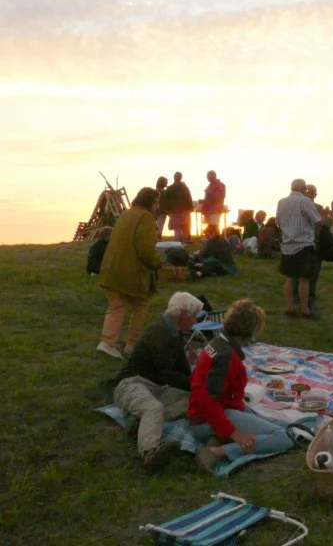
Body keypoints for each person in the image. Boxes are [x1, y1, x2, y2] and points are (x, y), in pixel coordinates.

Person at [189, 299, 294, 472]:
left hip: (223, 409)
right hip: (209, 418)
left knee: (289, 427)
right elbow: (207, 400)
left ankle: (220, 439)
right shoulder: (226, 357)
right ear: (251, 330)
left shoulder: (218, 343)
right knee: (285, 437)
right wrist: (235, 434)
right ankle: (219, 451)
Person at [112, 292, 204, 472]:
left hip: (156, 386)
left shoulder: (175, 333)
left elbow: (182, 368)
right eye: (195, 317)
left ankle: (140, 421)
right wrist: (195, 385)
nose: (196, 321)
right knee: (153, 408)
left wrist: (198, 385)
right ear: (183, 315)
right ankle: (150, 452)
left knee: (195, 400)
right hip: (131, 383)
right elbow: (167, 374)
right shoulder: (158, 333)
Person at [97, 187, 163, 359]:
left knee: (116, 305)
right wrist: (158, 263)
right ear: (150, 202)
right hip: (131, 272)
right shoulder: (146, 218)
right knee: (141, 304)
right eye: (156, 202)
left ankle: (107, 342)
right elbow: (146, 250)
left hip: (111, 269)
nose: (158, 206)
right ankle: (131, 344)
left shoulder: (126, 214)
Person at [276, 179, 321, 319]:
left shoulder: (281, 202)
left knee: (289, 278)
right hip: (303, 244)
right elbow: (317, 221)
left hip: (287, 244)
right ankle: (305, 310)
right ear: (303, 188)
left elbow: (277, 222)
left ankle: (289, 308)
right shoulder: (305, 202)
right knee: (304, 279)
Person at [164, 171, 193, 243]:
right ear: (181, 178)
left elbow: (166, 200)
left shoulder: (170, 188)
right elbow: (189, 198)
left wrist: (167, 210)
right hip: (185, 211)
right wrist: (191, 208)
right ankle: (185, 243)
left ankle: (178, 244)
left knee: (177, 229)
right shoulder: (185, 187)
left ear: (174, 177)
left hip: (175, 211)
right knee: (185, 229)